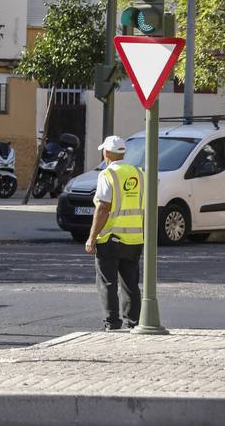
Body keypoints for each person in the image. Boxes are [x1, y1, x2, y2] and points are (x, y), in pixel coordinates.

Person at [84, 134, 143, 330]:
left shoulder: (107, 174)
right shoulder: (138, 173)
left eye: (103, 151)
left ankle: (112, 323)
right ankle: (134, 323)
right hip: (135, 237)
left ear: (107, 153)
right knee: (131, 283)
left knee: (107, 283)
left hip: (111, 238)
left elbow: (103, 208)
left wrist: (92, 238)